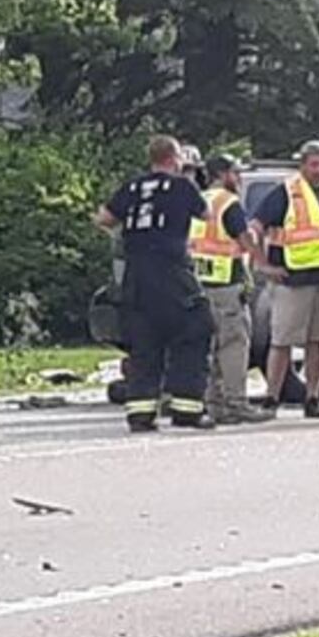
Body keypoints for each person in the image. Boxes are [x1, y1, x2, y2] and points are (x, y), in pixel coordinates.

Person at [95, 135, 216, 433]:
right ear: (175, 158)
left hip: (136, 277)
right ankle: (187, 409)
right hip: (172, 273)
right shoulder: (182, 187)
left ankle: (140, 413)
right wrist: (191, 180)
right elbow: (206, 214)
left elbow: (104, 218)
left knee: (144, 342)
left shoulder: (133, 187)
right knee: (196, 329)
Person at [250, 140, 319, 419]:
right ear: (302, 165)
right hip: (292, 278)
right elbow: (255, 228)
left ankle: (313, 397)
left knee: (318, 341)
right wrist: (263, 264)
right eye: (314, 165)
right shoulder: (285, 193)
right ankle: (272, 397)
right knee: (282, 340)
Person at [190, 154, 276, 425]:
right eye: (235, 173)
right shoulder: (228, 203)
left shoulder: (199, 199)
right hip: (227, 285)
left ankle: (214, 402)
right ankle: (236, 402)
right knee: (234, 345)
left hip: (200, 284)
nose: (238, 179)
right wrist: (264, 265)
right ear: (223, 174)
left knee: (211, 347)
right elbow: (244, 238)